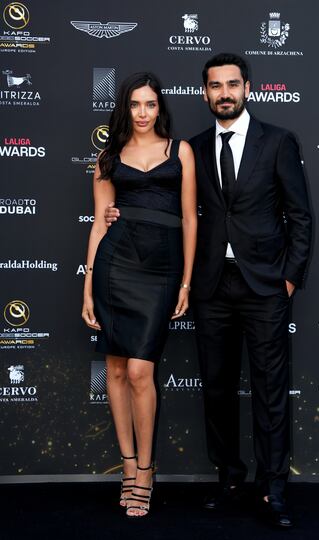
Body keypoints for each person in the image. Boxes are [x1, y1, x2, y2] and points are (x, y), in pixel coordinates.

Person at [105, 53, 312, 527]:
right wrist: (118, 213)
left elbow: (301, 216)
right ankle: (229, 478)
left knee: (270, 390)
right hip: (211, 286)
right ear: (204, 93)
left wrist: (290, 277)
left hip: (265, 286)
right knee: (217, 389)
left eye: (232, 85)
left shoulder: (279, 142)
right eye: (215, 86)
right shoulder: (190, 149)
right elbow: (158, 197)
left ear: (247, 88)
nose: (224, 93)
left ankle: (273, 486)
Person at [82, 72, 197, 519]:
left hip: (162, 269)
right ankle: (128, 466)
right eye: (135, 105)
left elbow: (190, 219)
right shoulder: (109, 156)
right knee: (114, 370)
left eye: (150, 104)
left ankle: (147, 471)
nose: (143, 113)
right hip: (115, 264)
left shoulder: (180, 151)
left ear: (159, 108)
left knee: (139, 371)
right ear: (125, 108)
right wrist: (88, 284)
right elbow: (98, 222)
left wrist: (186, 282)